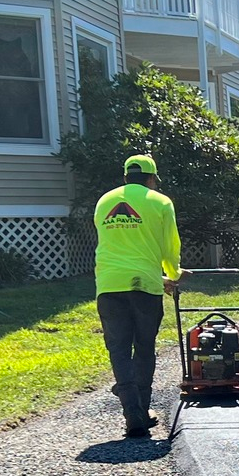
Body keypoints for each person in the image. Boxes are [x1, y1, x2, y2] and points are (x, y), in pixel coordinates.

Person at [93, 152, 182, 438]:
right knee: (144, 347)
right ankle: (142, 409)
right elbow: (170, 246)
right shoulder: (160, 202)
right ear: (151, 178)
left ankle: (132, 412)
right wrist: (173, 274)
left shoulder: (105, 201)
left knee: (118, 349)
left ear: (125, 177)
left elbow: (116, 245)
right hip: (145, 285)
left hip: (108, 285)